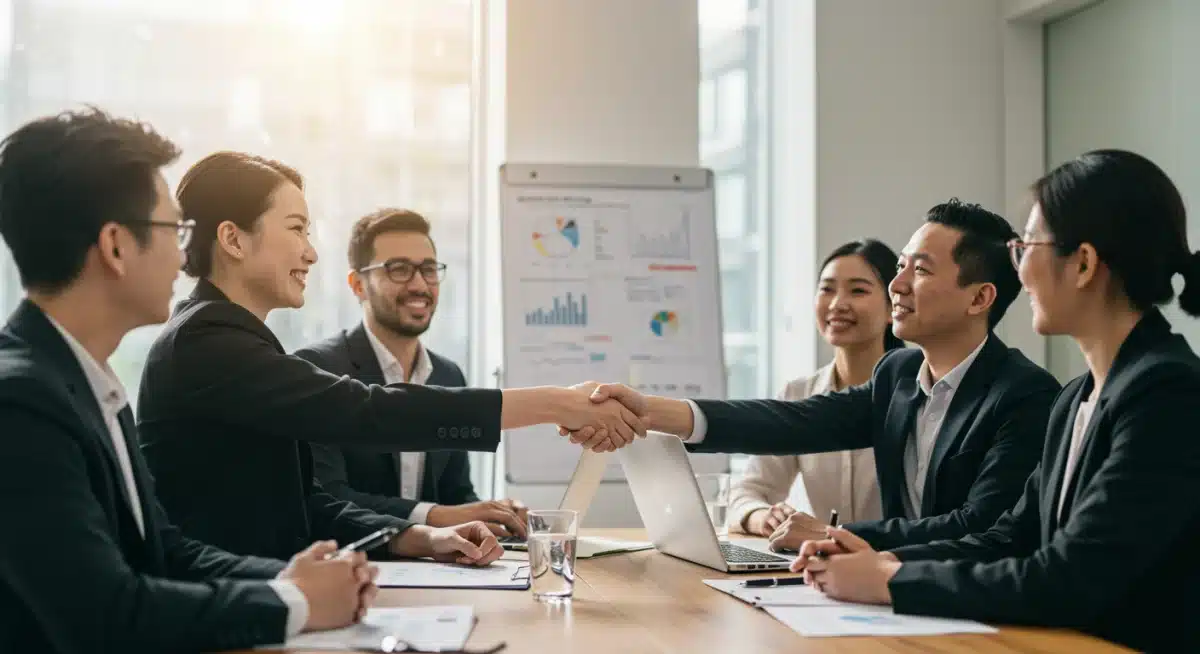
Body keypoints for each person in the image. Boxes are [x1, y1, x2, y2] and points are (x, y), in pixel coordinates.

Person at [0, 109, 381, 652]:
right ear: (115, 246)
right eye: (172, 230)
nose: (184, 255)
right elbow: (106, 614)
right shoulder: (20, 402)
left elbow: (167, 551)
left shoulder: (89, 383)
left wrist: (287, 583)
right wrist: (295, 604)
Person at [137, 152, 642, 561]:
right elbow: (369, 411)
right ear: (233, 239)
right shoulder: (207, 341)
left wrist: (419, 537)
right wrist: (555, 403)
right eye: (296, 229)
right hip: (228, 610)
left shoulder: (235, 340)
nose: (311, 252)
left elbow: (302, 503)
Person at [791, 149, 1200, 652]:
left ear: (1084, 264)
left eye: (1025, 247)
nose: (1019, 271)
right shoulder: (1077, 398)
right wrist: (884, 559)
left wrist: (887, 583)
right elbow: (1009, 537)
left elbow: (1068, 577)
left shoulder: (1166, 394)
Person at [568, 199, 1062, 552]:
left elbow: (980, 527)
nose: (898, 284)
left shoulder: (1025, 395)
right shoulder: (900, 373)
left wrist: (834, 536)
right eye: (902, 266)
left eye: (922, 271)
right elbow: (794, 421)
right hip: (887, 592)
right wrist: (649, 411)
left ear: (979, 298)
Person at [296, 208, 529, 538]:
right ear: (358, 284)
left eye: (429, 269)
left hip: (440, 568)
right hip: (354, 563)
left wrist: (496, 515)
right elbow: (329, 496)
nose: (420, 285)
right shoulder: (319, 369)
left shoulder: (448, 376)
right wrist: (434, 516)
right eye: (400, 269)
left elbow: (456, 495)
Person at [729, 239, 902, 537]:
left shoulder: (917, 393)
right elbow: (748, 491)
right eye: (827, 289)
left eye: (858, 290)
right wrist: (763, 518)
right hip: (819, 568)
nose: (837, 304)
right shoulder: (799, 394)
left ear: (892, 309)